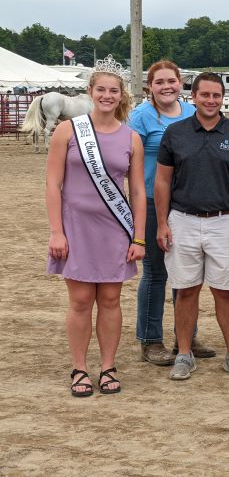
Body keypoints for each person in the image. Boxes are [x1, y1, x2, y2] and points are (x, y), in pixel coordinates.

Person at [46, 55, 146, 397]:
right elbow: (52, 185)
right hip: (75, 229)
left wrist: (139, 237)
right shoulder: (67, 130)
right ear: (91, 91)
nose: (107, 95)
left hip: (115, 229)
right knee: (79, 301)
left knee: (111, 299)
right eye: (101, 89)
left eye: (113, 90)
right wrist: (57, 231)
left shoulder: (131, 138)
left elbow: (137, 192)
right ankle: (79, 368)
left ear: (121, 95)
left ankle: (107, 366)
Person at [155, 72, 229, 381]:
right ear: (193, 96)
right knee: (185, 290)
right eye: (205, 95)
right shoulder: (175, 133)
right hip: (182, 220)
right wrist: (161, 223)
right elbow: (162, 180)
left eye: (216, 95)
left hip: (225, 222)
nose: (211, 101)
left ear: (222, 98)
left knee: (225, 291)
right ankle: (184, 353)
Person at [129, 60, 215, 366]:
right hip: (152, 201)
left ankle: (186, 336)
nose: (166, 86)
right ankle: (150, 339)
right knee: (155, 272)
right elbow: (128, 158)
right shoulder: (141, 117)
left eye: (172, 81)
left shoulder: (192, 114)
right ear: (150, 87)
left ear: (181, 84)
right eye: (159, 81)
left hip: (185, 202)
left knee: (187, 273)